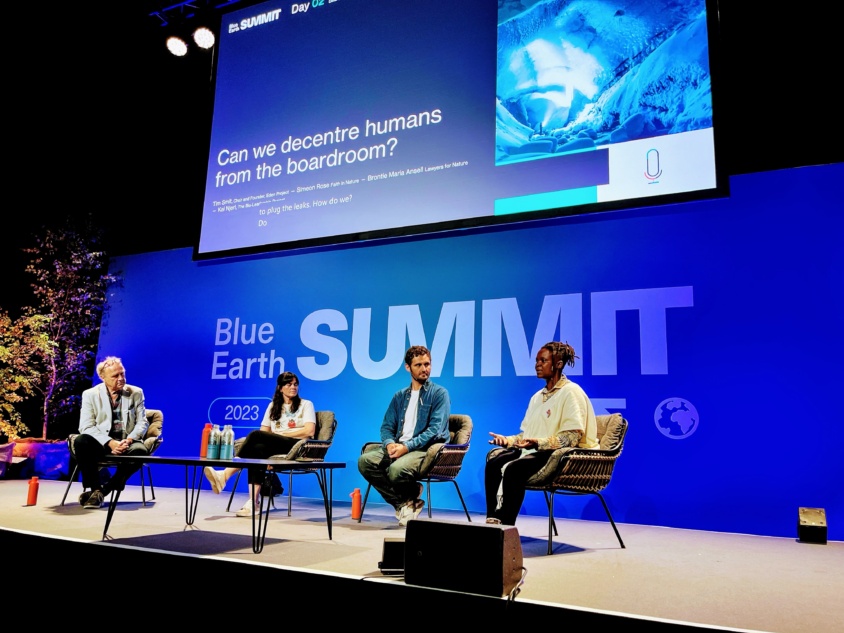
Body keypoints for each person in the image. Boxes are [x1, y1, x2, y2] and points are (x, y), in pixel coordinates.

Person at [485, 341, 598, 526]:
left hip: (558, 455)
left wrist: (538, 443)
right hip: (534, 451)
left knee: (514, 469)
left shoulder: (571, 392)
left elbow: (572, 437)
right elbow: (526, 435)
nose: (537, 365)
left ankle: (505, 527)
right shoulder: (537, 397)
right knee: (494, 463)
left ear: (558, 364)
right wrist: (508, 440)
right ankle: (493, 518)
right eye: (536, 361)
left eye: (543, 361)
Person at [358, 345, 451, 526]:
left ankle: (409, 496)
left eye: (427, 364)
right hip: (400, 446)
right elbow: (387, 426)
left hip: (424, 450)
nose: (424, 369)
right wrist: (389, 444)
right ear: (408, 367)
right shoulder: (399, 396)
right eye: (418, 365)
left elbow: (435, 430)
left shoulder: (440, 394)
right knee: (365, 461)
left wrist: (406, 447)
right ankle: (405, 502)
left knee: (396, 469)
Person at [204, 371, 316, 517]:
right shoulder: (273, 406)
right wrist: (270, 446)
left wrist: (282, 434)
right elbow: (265, 432)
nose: (293, 387)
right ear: (280, 388)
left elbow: (309, 431)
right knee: (257, 451)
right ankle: (253, 503)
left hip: (296, 445)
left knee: (255, 435)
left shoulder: (306, 404)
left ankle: (225, 474)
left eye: (295, 384)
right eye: (289, 384)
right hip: (277, 444)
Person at [74, 356, 150, 509]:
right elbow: (86, 426)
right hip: (102, 443)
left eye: (122, 373)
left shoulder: (136, 392)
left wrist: (129, 439)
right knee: (81, 441)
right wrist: (109, 442)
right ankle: (95, 487)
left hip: (127, 442)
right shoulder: (90, 394)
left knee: (141, 451)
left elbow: (142, 422)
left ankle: (103, 491)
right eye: (115, 376)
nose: (121, 378)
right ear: (103, 377)